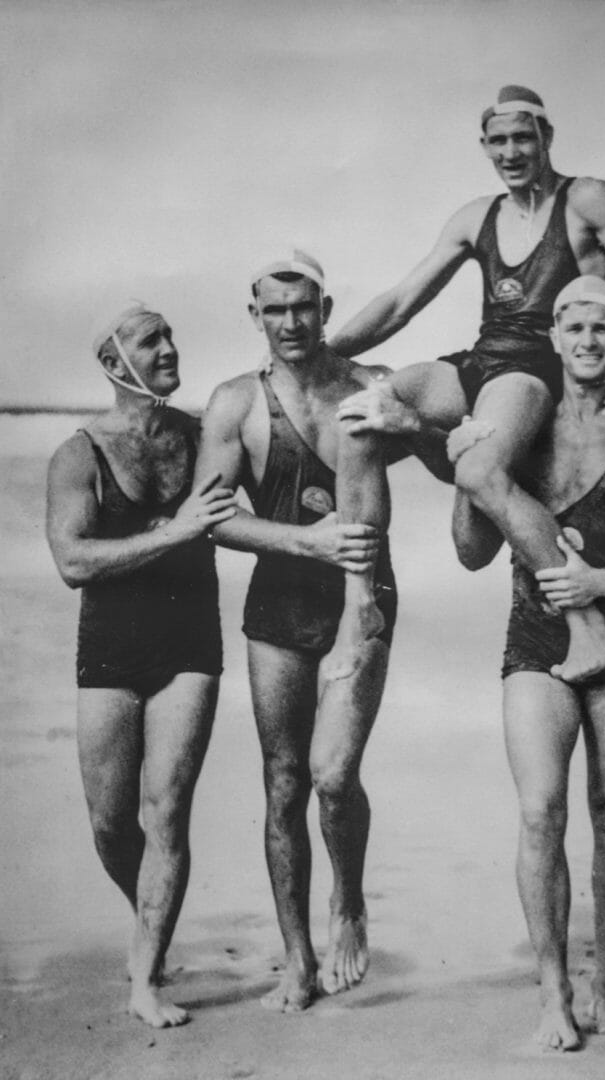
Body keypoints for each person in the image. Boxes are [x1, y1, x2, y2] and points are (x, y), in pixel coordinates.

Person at [331, 84, 605, 683]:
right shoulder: (475, 216)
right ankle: (358, 601)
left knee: (481, 474)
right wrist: (322, 356)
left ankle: (586, 625)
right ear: (484, 146)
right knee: (362, 414)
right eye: (498, 141)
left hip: (537, 370)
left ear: (547, 138)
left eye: (523, 137)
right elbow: (402, 301)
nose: (511, 151)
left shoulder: (589, 200)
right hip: (483, 359)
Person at [451, 276, 605, 1051]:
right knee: (539, 812)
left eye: (604, 329)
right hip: (534, 635)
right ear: (553, 338)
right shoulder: (518, 425)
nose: (589, 342)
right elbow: (468, 554)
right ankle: (553, 995)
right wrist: (468, 469)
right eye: (575, 328)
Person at [193, 250, 449, 1012]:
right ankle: (297, 959)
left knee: (332, 775)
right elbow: (214, 518)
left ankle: (348, 903)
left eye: (302, 307)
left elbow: (451, 462)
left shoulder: (369, 387)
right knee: (282, 783)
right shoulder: (236, 402)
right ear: (255, 317)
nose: (289, 323)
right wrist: (304, 540)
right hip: (278, 598)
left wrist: (416, 424)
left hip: (363, 594)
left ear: (326, 309)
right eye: (273, 310)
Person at [45, 301, 237, 1028]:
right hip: (110, 646)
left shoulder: (200, 434)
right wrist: (173, 535)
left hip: (190, 641)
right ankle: (148, 920)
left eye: (170, 335)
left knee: (167, 812)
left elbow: (248, 495)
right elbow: (71, 561)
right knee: (108, 823)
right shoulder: (78, 453)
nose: (168, 348)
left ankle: (147, 976)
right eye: (150, 339)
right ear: (112, 362)